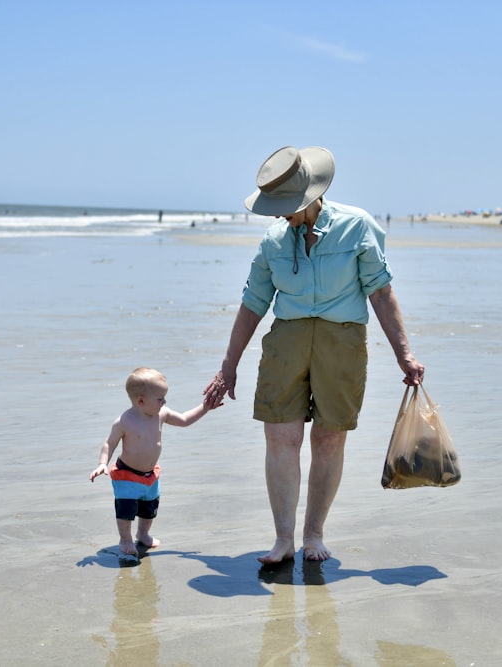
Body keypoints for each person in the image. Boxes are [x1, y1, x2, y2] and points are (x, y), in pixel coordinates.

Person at [203, 146, 424, 564]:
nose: (277, 215)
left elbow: (381, 291)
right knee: (280, 437)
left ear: (308, 197)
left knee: (328, 438)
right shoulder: (273, 241)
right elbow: (253, 303)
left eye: (283, 206)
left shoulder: (357, 226)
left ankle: (314, 534)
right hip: (286, 342)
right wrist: (227, 367)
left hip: (341, 342)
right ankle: (283, 539)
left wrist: (404, 354)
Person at [90, 368, 218, 558]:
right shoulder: (124, 421)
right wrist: (102, 463)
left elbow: (183, 420)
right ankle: (125, 539)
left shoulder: (162, 414)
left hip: (149, 475)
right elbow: (109, 443)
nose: (164, 402)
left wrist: (205, 408)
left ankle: (143, 534)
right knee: (125, 510)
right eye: (160, 398)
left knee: (149, 508)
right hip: (127, 474)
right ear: (140, 400)